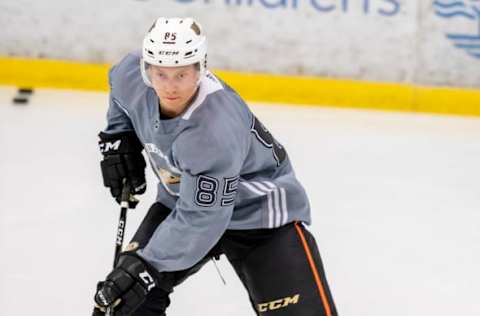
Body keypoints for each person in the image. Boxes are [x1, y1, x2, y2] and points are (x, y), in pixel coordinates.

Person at [93, 17, 338, 316]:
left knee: (135, 279)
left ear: (200, 67)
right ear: (146, 68)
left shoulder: (214, 129)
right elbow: (121, 100)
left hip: (259, 216)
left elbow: (203, 218)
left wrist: (145, 268)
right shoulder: (129, 73)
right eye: (160, 74)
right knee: (125, 304)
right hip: (183, 201)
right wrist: (119, 137)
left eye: (181, 75)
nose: (170, 86)